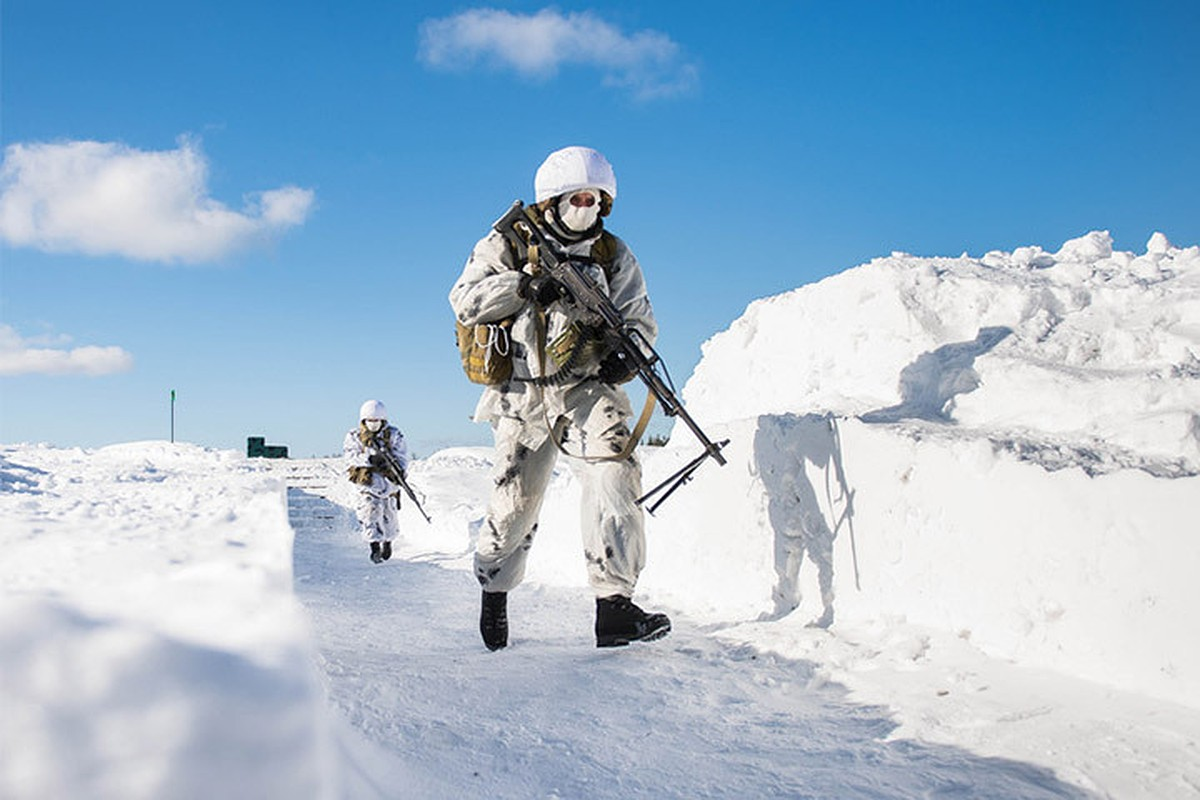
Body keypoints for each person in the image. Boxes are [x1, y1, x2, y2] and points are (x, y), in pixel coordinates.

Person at [449, 145, 671, 650]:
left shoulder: (612, 254)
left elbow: (638, 315)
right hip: (524, 392)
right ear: (551, 200)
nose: (586, 207)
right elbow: (465, 299)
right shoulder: (508, 241)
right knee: (512, 507)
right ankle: (495, 591)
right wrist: (524, 287)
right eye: (577, 197)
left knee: (616, 472)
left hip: (587, 387)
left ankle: (614, 606)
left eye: (595, 199)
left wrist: (629, 354)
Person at [343, 399, 410, 564]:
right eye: (370, 421)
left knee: (390, 515)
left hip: (389, 483)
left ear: (383, 420)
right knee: (370, 514)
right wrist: (370, 459)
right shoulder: (355, 436)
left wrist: (396, 470)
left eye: (376, 421)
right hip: (368, 483)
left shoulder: (393, 434)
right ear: (363, 420)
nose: (373, 424)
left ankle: (388, 543)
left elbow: (403, 456)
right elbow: (349, 456)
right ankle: (374, 546)